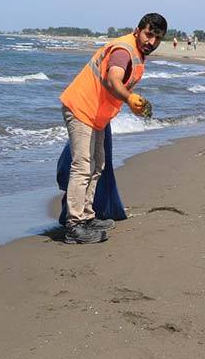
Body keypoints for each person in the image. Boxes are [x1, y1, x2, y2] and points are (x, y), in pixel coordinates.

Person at [57, 13, 165, 244]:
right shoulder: (123, 52)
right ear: (138, 31)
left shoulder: (135, 52)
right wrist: (129, 98)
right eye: (148, 34)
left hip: (95, 114)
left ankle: (87, 216)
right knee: (82, 166)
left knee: (98, 164)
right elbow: (112, 80)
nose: (151, 42)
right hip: (81, 108)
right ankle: (73, 226)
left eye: (157, 38)